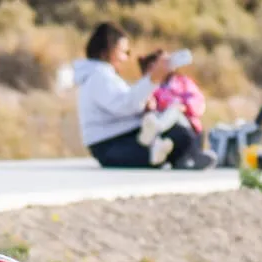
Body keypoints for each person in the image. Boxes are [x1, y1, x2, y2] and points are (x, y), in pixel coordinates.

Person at [73, 22, 213, 170]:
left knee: (180, 130)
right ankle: (183, 158)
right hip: (112, 145)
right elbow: (125, 105)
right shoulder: (99, 76)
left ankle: (182, 158)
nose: (126, 58)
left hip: (121, 138)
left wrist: (146, 104)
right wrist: (153, 78)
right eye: (124, 52)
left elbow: (124, 103)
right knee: (178, 136)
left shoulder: (102, 75)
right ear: (107, 51)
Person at [139, 49, 207, 139]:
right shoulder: (153, 87)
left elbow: (197, 101)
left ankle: (156, 129)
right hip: (160, 119)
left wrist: (184, 106)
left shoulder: (183, 82)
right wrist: (150, 106)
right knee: (152, 117)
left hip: (184, 122)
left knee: (173, 110)